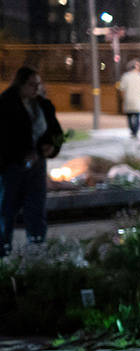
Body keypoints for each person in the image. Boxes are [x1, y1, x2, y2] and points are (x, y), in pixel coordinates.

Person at [0, 67, 63, 256]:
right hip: (12, 166)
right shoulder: (6, 105)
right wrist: (21, 155)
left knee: (36, 207)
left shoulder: (43, 105)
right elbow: (4, 139)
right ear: (20, 84)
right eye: (32, 85)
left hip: (37, 166)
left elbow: (58, 134)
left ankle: (36, 247)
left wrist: (52, 147)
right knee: (6, 208)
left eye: (38, 85)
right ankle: (3, 250)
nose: (36, 89)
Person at [118, 59, 140, 139]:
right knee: (137, 116)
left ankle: (132, 131)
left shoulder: (125, 76)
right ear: (135, 66)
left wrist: (123, 98)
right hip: (138, 100)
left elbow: (122, 88)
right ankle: (135, 132)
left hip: (128, 100)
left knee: (129, 116)